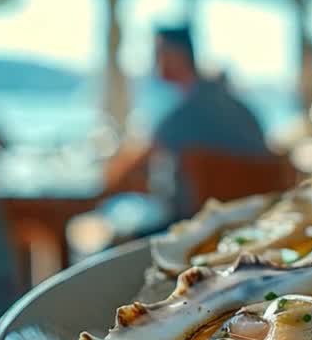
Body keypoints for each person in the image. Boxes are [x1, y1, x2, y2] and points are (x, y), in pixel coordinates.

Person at [104, 25, 271, 215]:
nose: (153, 63)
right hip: (256, 217)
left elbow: (131, 164)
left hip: (199, 225)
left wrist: (107, 178)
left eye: (158, 53)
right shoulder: (229, 103)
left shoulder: (189, 112)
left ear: (177, 56)